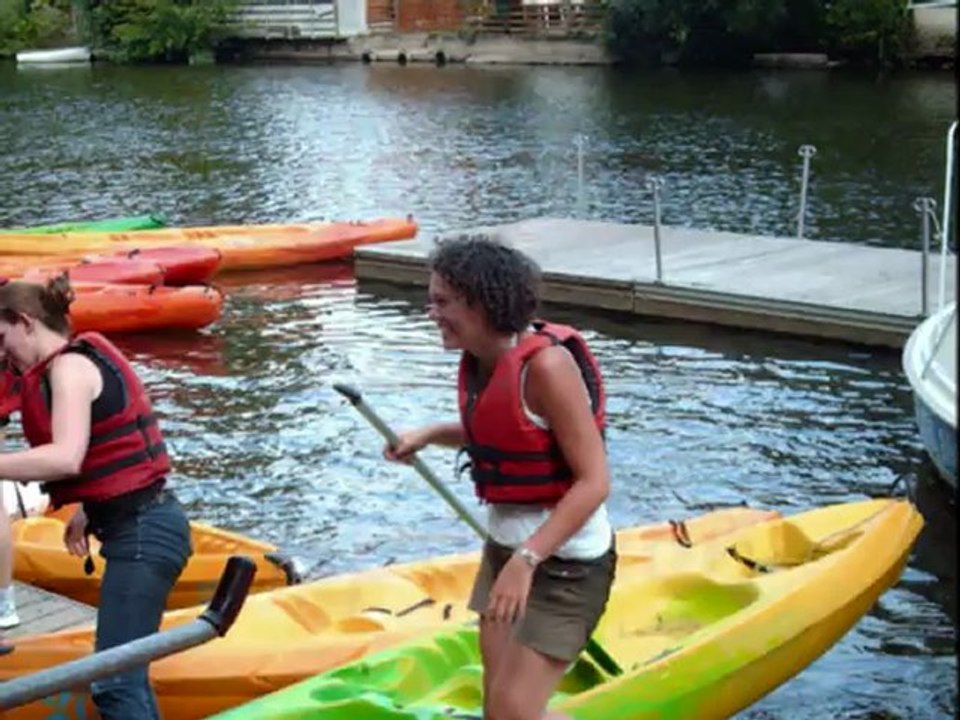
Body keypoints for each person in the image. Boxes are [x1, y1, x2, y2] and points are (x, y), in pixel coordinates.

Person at [384, 235, 615, 720]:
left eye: (443, 302)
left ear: (483, 302)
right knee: (501, 708)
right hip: (506, 552)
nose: (433, 313)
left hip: (565, 565)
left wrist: (527, 561)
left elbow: (594, 481)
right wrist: (427, 434)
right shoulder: (485, 363)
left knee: (513, 711)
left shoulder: (549, 367)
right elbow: (507, 432)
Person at [0, 275, 192, 719]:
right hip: (144, 522)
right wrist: (88, 507)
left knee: (115, 682)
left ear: (25, 322)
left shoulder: (68, 367)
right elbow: (107, 448)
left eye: (2, 337)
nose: (2, 351)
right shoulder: (76, 361)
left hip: (146, 533)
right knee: (120, 676)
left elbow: (66, 457)